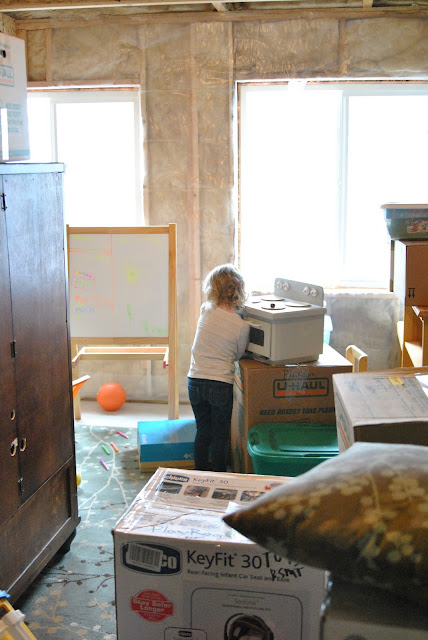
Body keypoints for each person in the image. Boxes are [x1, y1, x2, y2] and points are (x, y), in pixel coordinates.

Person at [188, 264, 250, 472]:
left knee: (203, 432)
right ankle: (218, 476)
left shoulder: (206, 310)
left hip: (195, 380)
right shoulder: (241, 326)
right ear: (239, 290)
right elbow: (238, 355)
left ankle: (199, 471)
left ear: (212, 289)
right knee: (220, 436)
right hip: (220, 384)